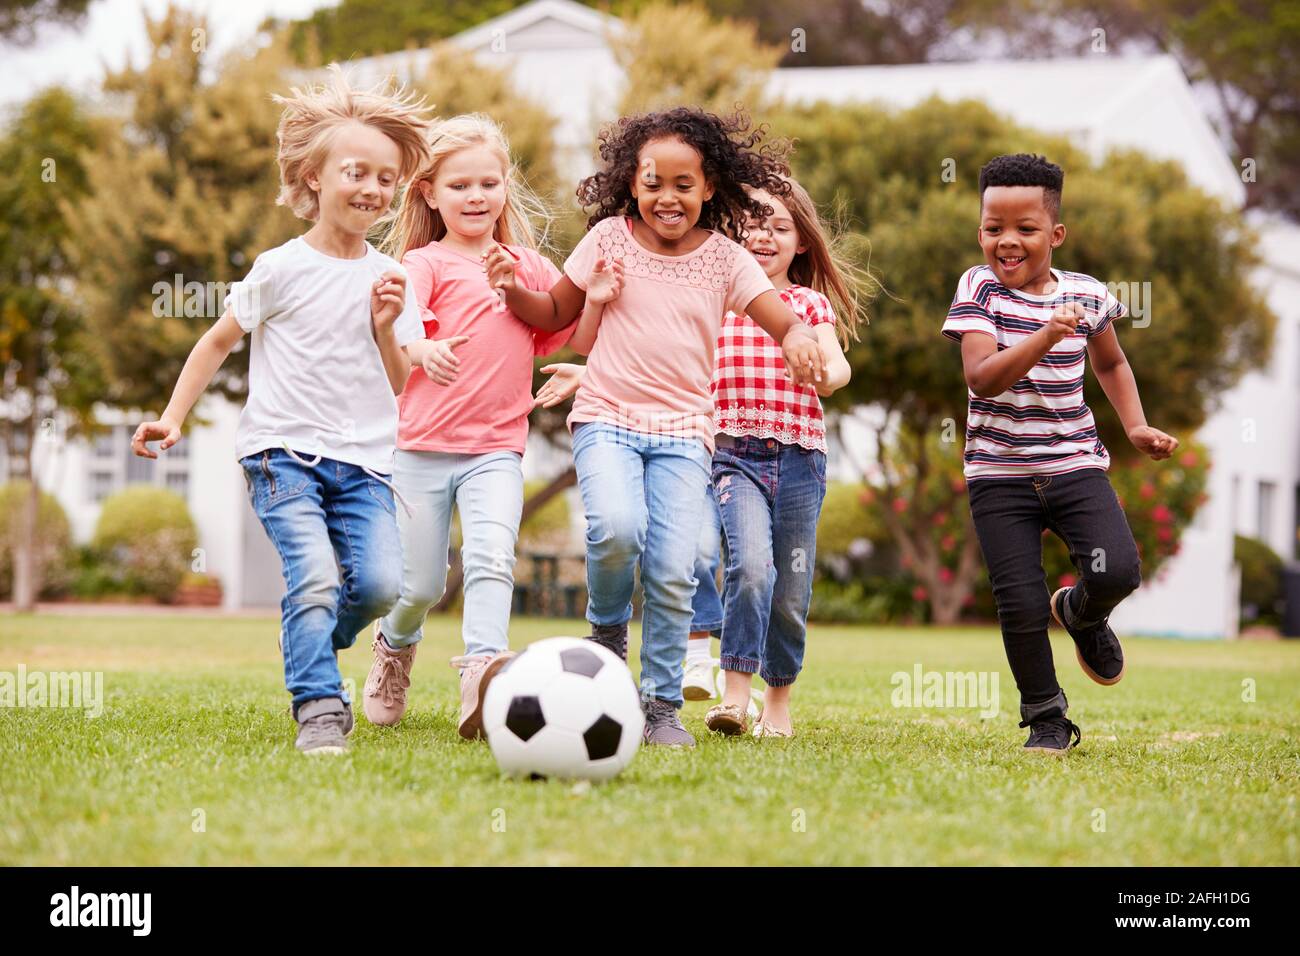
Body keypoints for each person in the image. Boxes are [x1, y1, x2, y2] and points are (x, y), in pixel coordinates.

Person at [496, 106, 825, 746]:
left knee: (674, 568)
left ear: (710, 187)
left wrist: (799, 337)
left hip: (684, 433)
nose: (667, 198)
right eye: (653, 183)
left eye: (683, 184)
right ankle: (609, 632)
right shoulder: (608, 240)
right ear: (631, 184)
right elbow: (556, 312)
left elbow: (775, 314)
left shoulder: (727, 259)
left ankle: (660, 706)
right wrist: (512, 290)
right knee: (617, 529)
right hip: (607, 417)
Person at [131, 67, 432, 755]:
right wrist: (173, 416)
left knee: (382, 584)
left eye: (386, 178)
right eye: (356, 171)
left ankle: (307, 639)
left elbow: (398, 383)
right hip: (281, 456)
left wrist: (387, 327)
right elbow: (215, 342)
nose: (373, 189)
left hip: (365, 464)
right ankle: (320, 705)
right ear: (313, 180)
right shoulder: (279, 268)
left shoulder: (392, 278)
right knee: (317, 575)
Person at [942, 153, 1178, 754]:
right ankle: (1047, 719)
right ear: (980, 231)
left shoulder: (1088, 294)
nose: (1007, 241)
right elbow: (982, 378)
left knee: (1117, 569)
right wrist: (1046, 334)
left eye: (1025, 228)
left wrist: (1137, 426)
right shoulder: (978, 287)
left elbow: (1111, 362)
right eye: (994, 227)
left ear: (1056, 234)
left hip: (1074, 465)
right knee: (1019, 602)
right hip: (998, 475)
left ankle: (1081, 612)